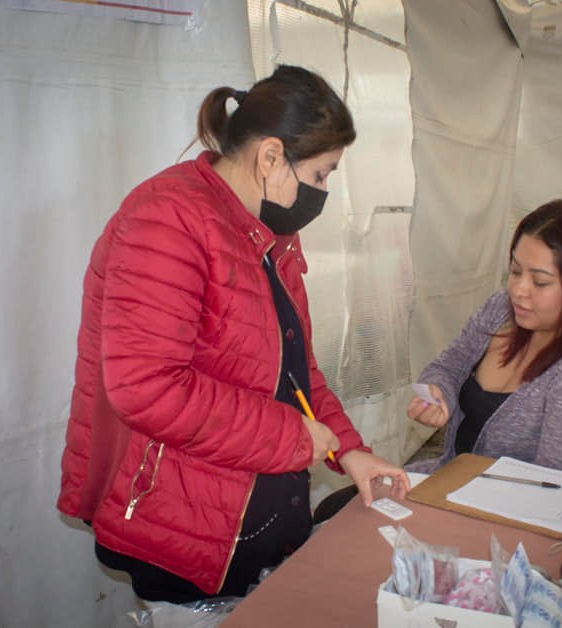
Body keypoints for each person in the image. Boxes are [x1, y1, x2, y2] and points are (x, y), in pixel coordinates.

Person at [56, 64, 410, 604]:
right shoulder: (166, 218)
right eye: (319, 174)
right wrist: (292, 437)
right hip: (179, 521)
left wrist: (350, 452)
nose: (322, 192)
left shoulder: (272, 234)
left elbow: (296, 372)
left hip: (250, 510)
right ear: (271, 156)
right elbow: (148, 387)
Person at [406, 199, 562, 474]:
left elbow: (549, 488)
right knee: (347, 504)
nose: (518, 290)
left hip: (498, 508)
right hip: (450, 479)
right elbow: (450, 364)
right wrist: (438, 392)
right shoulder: (502, 308)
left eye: (540, 282)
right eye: (515, 271)